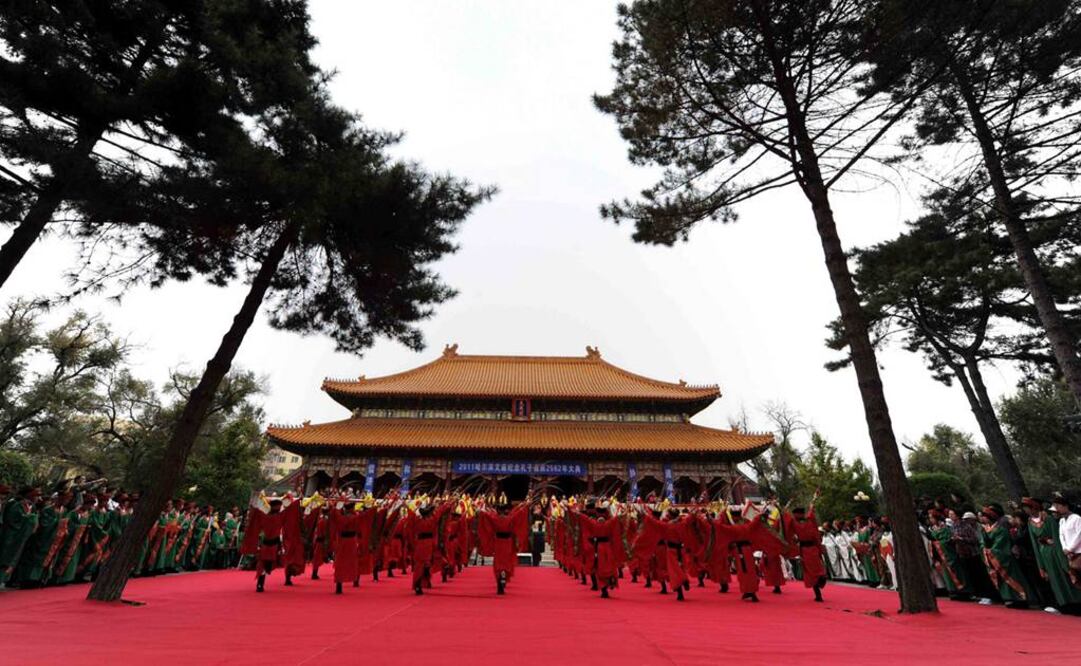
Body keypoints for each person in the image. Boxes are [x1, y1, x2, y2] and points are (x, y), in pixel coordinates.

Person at [1023, 497, 1081, 612]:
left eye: (1027, 508)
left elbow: (1057, 537)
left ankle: (1076, 602)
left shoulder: (1048, 518)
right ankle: (1064, 604)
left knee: (1065, 576)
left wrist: (1064, 553)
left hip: (1057, 551)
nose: (1026, 511)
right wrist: (1040, 565)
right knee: (1054, 579)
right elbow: (1035, 544)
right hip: (1044, 553)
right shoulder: (1030, 522)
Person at [240, 495, 300, 593]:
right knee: (269, 563)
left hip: (265, 543)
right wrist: (296, 502)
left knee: (262, 564)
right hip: (274, 545)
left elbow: (256, 514)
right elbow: (290, 512)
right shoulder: (280, 517)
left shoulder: (264, 517)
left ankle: (260, 584)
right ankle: (262, 583)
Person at [478, 498, 529, 595]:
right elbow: (518, 513)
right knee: (506, 561)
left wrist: (482, 510)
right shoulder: (510, 518)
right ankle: (504, 576)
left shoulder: (495, 518)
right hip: (508, 542)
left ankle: (499, 579)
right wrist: (525, 505)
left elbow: (486, 516)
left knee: (498, 561)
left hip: (498, 542)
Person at [0, 487, 40, 587]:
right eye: (35, 495)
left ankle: (3, 579)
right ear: (28, 495)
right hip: (11, 536)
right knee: (4, 557)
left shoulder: (32, 507)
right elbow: (11, 519)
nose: (37, 498)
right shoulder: (16, 505)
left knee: (13, 558)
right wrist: (31, 519)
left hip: (21, 538)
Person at [789, 499, 827, 602]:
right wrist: (814, 500)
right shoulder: (809, 519)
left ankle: (818, 592)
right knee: (817, 569)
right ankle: (820, 583)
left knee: (811, 573)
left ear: (797, 514)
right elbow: (811, 510)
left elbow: (785, 521)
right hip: (814, 548)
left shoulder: (794, 522)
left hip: (805, 550)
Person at [1051, 493, 1081, 595]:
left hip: (1078, 551)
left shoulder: (1076, 518)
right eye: (1056, 506)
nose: (1057, 508)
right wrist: (1065, 548)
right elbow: (1061, 536)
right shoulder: (1062, 521)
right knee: (1077, 580)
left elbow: (1079, 534)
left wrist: (1071, 548)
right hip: (1069, 554)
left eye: (1058, 506)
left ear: (1065, 506)